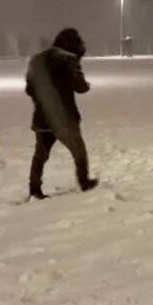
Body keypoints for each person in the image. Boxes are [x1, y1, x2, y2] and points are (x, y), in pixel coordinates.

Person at [25, 28, 98, 199]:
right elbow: (81, 87)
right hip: (64, 118)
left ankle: (34, 189)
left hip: (42, 117)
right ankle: (84, 181)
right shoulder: (69, 59)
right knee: (79, 151)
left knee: (40, 155)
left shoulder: (36, 60)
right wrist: (80, 76)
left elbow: (29, 89)